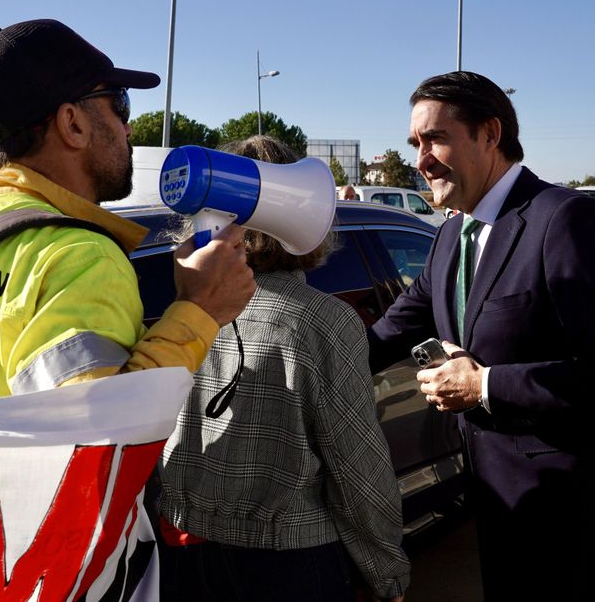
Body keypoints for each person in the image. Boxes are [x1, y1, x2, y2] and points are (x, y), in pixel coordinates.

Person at [367, 71, 595, 601]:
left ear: (490, 134)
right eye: (415, 143)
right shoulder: (454, 231)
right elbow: (389, 332)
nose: (420, 160)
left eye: (435, 138)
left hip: (566, 500)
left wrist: (485, 386)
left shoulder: (567, 220)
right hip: (493, 490)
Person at [0, 18, 255, 399]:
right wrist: (199, 307)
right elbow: (102, 437)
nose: (129, 128)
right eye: (120, 104)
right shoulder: (79, 258)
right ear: (72, 124)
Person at [157, 135, 409, 602]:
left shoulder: (181, 314)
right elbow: (358, 469)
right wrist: (386, 573)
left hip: (183, 556)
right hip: (288, 563)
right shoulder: (323, 322)